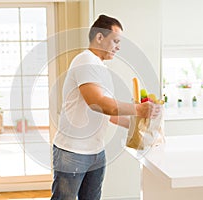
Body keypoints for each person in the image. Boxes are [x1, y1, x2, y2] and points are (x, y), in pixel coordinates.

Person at [51, 14, 161, 200]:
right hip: (73, 151)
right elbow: (98, 104)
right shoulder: (85, 60)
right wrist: (138, 110)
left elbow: (109, 114)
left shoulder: (100, 67)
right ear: (99, 37)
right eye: (116, 41)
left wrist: (141, 125)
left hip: (96, 151)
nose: (118, 47)